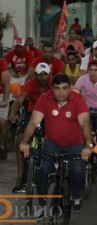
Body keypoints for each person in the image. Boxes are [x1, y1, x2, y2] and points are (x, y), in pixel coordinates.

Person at [19, 74, 93, 216]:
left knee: (77, 170)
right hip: (52, 143)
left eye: (65, 88)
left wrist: (88, 145)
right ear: (52, 88)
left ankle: (76, 195)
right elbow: (34, 121)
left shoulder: (78, 99)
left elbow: (84, 123)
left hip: (74, 143)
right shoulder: (44, 98)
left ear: (70, 88)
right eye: (57, 89)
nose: (61, 93)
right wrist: (25, 141)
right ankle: (41, 204)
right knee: (43, 171)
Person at [8, 63, 52, 193]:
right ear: (36, 75)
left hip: (49, 115)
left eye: (45, 74)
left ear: (49, 75)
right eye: (40, 74)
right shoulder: (30, 84)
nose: (42, 77)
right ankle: (20, 179)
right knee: (20, 140)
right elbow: (19, 101)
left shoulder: (54, 84)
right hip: (31, 114)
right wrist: (12, 113)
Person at [0, 58, 10, 160]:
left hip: (1, 94)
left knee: (3, 122)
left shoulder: (1, 62)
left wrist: (5, 99)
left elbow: (6, 82)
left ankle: (2, 146)